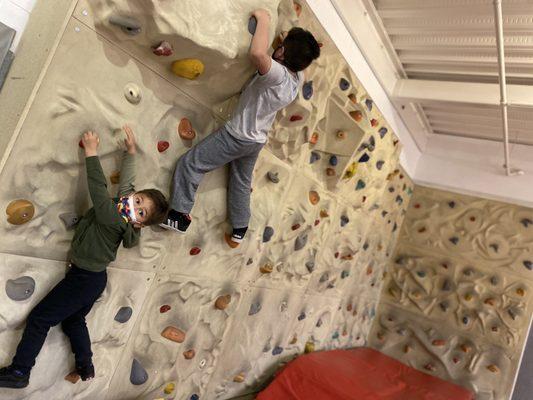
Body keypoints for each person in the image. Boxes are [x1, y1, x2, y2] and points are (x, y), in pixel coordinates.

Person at [0, 126, 168, 388]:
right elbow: (128, 184)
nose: (134, 206)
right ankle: (85, 365)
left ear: (139, 225)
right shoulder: (124, 206)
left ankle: (20, 372)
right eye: (139, 200)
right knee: (73, 320)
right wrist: (131, 153)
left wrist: (91, 152)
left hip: (84, 279)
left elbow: (99, 190)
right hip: (93, 279)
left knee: (40, 319)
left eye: (141, 212)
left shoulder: (114, 217)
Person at [162, 9, 320, 247]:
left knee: (191, 163)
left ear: (282, 52)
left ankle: (179, 215)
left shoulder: (275, 75)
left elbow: (257, 52)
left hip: (236, 137)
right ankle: (240, 226)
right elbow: (295, 58)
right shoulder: (296, 80)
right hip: (255, 141)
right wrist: (292, 45)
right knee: (240, 182)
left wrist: (264, 20)